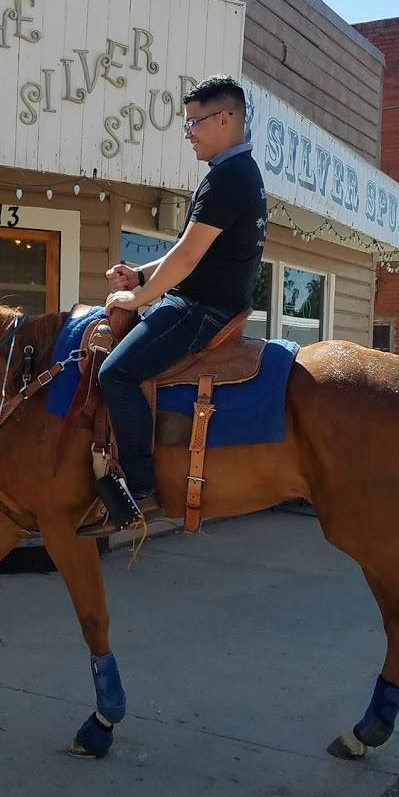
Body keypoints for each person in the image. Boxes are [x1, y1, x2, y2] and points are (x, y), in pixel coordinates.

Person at [79, 76, 268, 536]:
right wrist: (141, 275)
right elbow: (188, 249)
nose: (188, 133)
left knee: (115, 374)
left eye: (194, 122)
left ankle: (141, 490)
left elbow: (186, 259)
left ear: (225, 119)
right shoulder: (236, 173)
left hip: (201, 309)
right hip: (206, 302)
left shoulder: (228, 178)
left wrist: (137, 298)